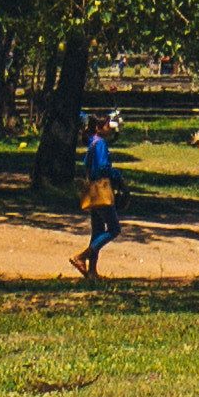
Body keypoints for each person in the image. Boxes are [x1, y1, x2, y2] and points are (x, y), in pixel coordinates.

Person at [75, 111, 121, 280]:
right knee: (114, 229)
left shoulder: (92, 143)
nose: (110, 128)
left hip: (92, 191)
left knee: (98, 230)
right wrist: (117, 176)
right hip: (102, 189)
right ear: (98, 128)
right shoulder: (100, 144)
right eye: (107, 125)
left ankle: (92, 272)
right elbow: (103, 167)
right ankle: (82, 256)